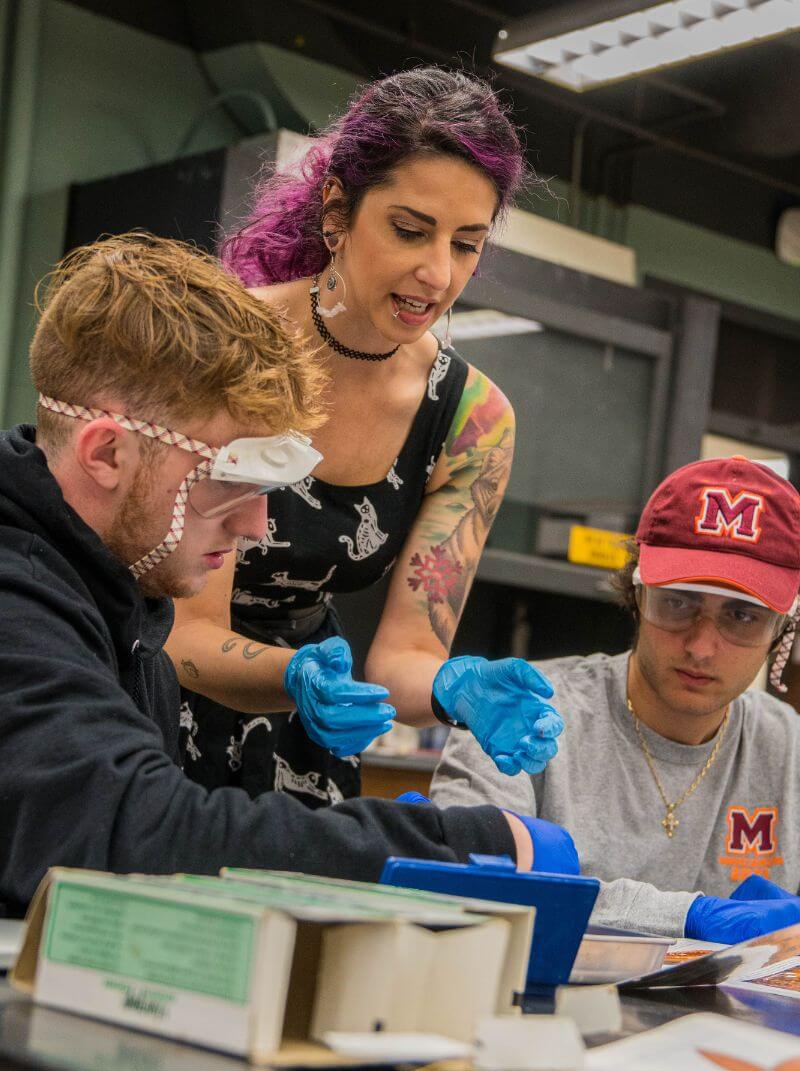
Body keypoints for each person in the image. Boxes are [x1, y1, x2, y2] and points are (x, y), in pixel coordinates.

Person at [0, 232, 577, 919]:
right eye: (232, 482)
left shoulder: (122, 602)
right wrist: (456, 845)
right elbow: (129, 834)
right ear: (106, 454)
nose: (256, 528)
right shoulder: (18, 599)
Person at [167, 65, 563, 806]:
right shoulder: (224, 350)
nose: (437, 273)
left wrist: (454, 688)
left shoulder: (472, 419)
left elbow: (404, 655)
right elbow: (184, 629)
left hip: (306, 735)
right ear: (337, 211)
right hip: (156, 709)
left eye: (467, 244)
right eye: (410, 230)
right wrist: (293, 676)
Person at [431, 456, 800, 944]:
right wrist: (686, 915)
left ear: (783, 630)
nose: (701, 646)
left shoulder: (788, 747)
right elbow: (466, 882)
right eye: (678, 602)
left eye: (742, 616)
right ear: (637, 595)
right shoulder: (520, 715)